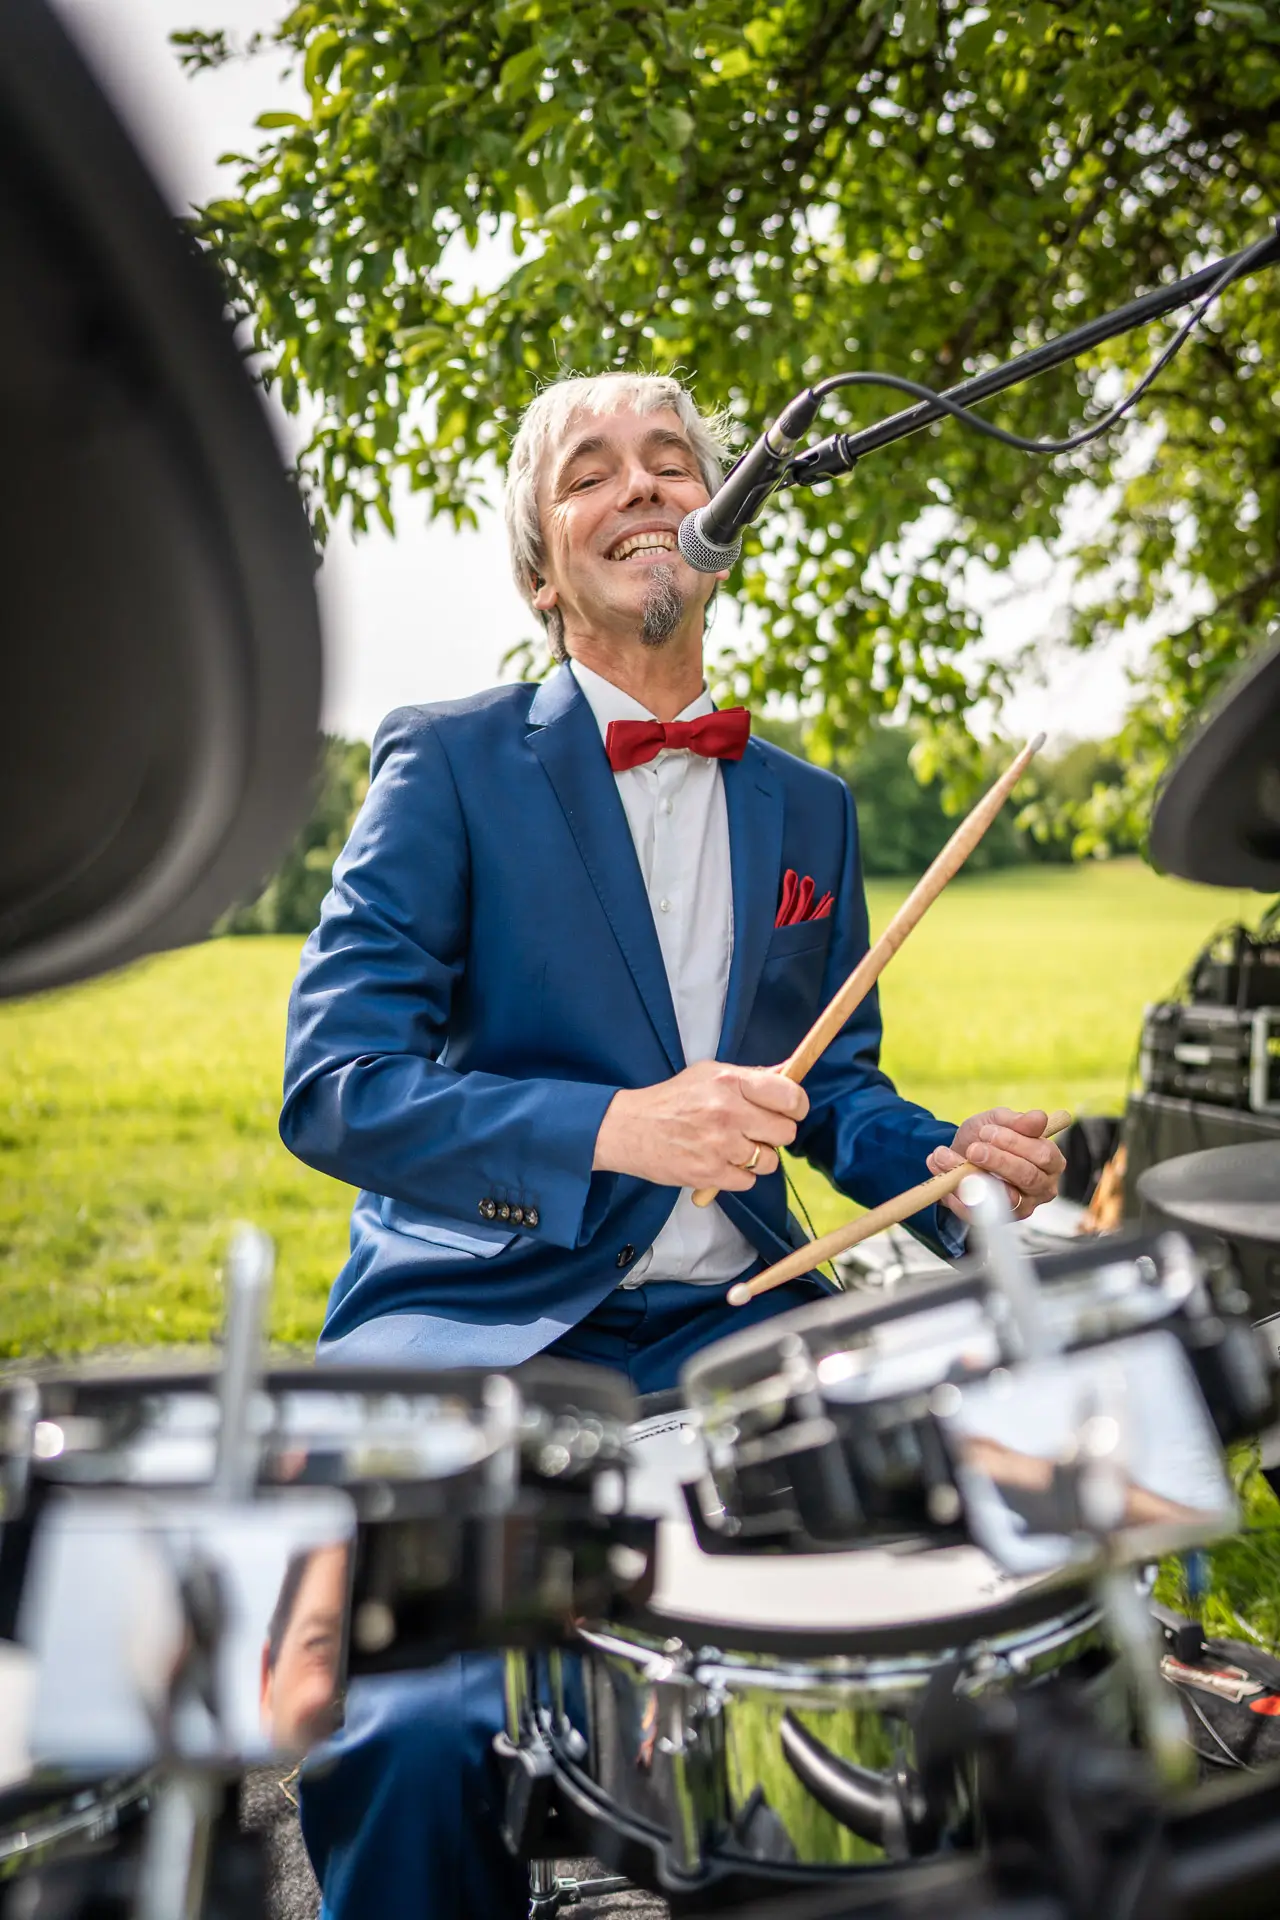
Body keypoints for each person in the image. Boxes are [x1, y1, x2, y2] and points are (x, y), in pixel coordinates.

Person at [280, 370, 1065, 1919]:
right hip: (487, 1335)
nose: (642, 485)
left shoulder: (810, 809)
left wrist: (944, 1161)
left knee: (934, 1662)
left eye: (671, 460)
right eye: (592, 471)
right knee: (417, 1728)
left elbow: (834, 1087)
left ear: (722, 519)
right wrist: (619, 1128)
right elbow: (337, 1085)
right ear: (540, 568)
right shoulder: (447, 762)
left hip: (740, 1335)